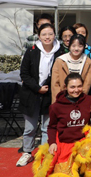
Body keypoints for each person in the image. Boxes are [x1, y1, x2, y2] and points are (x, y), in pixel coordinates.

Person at [22, 73, 91, 177]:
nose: (76, 90)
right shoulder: (56, 106)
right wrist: (52, 143)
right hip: (65, 143)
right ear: (65, 87)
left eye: (79, 86)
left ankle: (83, 169)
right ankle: (73, 169)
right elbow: (52, 127)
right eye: (72, 87)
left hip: (83, 142)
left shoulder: (90, 100)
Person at [17, 23, 61, 167]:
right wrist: (37, 88)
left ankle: (43, 154)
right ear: (39, 36)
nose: (47, 37)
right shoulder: (32, 51)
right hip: (31, 93)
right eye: (44, 34)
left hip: (50, 95)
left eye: (50, 34)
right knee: (30, 128)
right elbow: (24, 73)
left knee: (47, 127)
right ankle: (27, 152)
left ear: (55, 35)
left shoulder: (60, 52)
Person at [51, 34, 91, 103]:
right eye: (73, 46)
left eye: (80, 46)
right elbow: (55, 84)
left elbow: (87, 84)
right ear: (69, 46)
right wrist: (60, 100)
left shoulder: (87, 62)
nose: (76, 49)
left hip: (79, 99)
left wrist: (80, 99)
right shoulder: (60, 61)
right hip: (62, 98)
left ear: (84, 47)